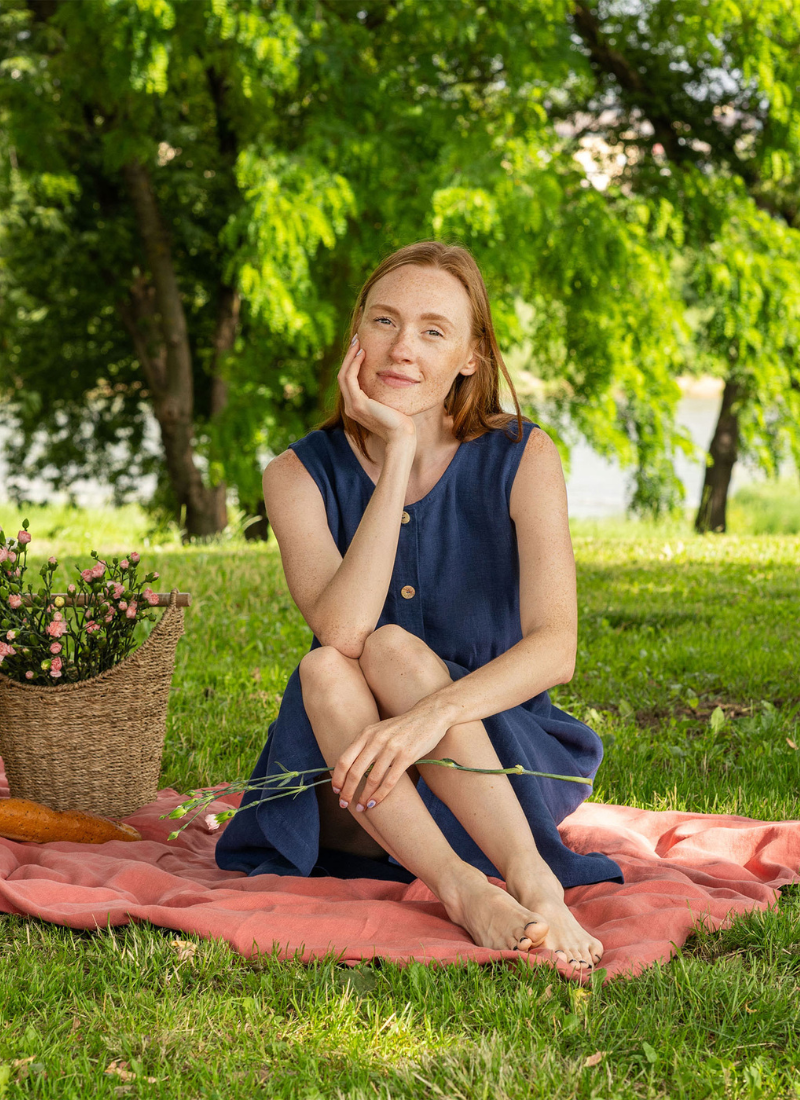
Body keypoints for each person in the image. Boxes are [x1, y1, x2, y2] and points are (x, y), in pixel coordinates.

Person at [215, 240, 622, 974]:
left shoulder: (524, 456)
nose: (402, 347)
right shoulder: (295, 475)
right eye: (384, 321)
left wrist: (431, 715)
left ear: (470, 357)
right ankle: (460, 888)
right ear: (357, 335)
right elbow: (342, 630)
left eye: (434, 331)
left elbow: (555, 648)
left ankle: (531, 876)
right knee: (330, 665)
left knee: (392, 652)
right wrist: (398, 451)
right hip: (360, 788)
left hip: (497, 773)